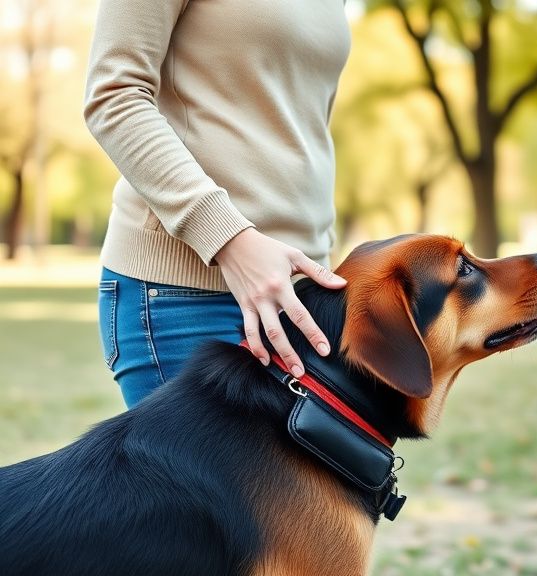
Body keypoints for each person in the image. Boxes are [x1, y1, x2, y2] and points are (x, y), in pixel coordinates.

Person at [85, 0, 351, 407]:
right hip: (186, 292)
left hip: (298, 297)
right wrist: (229, 237)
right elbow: (114, 96)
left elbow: (298, 123)